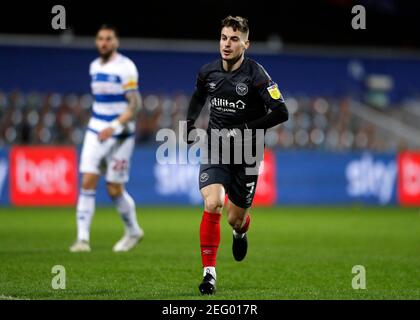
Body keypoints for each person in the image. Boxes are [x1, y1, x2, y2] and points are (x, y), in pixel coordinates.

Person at [185, 16, 289, 294]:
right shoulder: (208, 72)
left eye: (233, 39)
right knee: (214, 202)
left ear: (246, 43)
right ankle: (209, 274)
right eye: (223, 38)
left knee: (235, 217)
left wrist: (245, 129)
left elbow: (281, 111)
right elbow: (198, 97)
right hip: (216, 146)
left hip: (248, 153)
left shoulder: (257, 75)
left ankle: (241, 231)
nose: (227, 44)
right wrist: (190, 122)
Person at [70, 25, 144, 252]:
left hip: (120, 134)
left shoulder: (126, 67)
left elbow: (135, 105)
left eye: (108, 39)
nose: (103, 43)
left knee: (114, 189)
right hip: (96, 132)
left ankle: (133, 231)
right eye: (100, 39)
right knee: (87, 181)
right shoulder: (93, 67)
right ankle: (82, 240)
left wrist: (113, 126)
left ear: (116, 42)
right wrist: (102, 126)